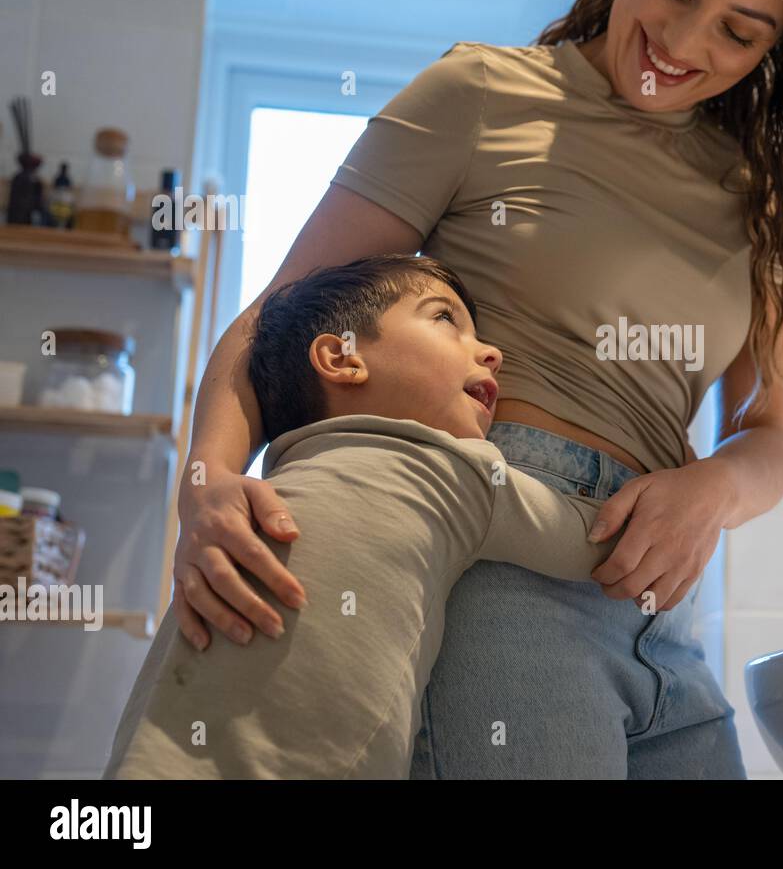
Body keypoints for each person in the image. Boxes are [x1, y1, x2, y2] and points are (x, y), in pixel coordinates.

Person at [168, 0, 783, 779]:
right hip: (501, 560)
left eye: (736, 30)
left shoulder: (759, 196)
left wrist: (711, 490)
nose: (682, 39)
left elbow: (767, 437)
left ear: (777, 49)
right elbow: (280, 315)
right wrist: (205, 484)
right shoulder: (480, 94)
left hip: (666, 614)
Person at [104, 255, 629, 778]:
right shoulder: (459, 469)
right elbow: (599, 543)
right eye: (446, 320)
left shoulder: (277, 480)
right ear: (342, 357)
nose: (491, 353)